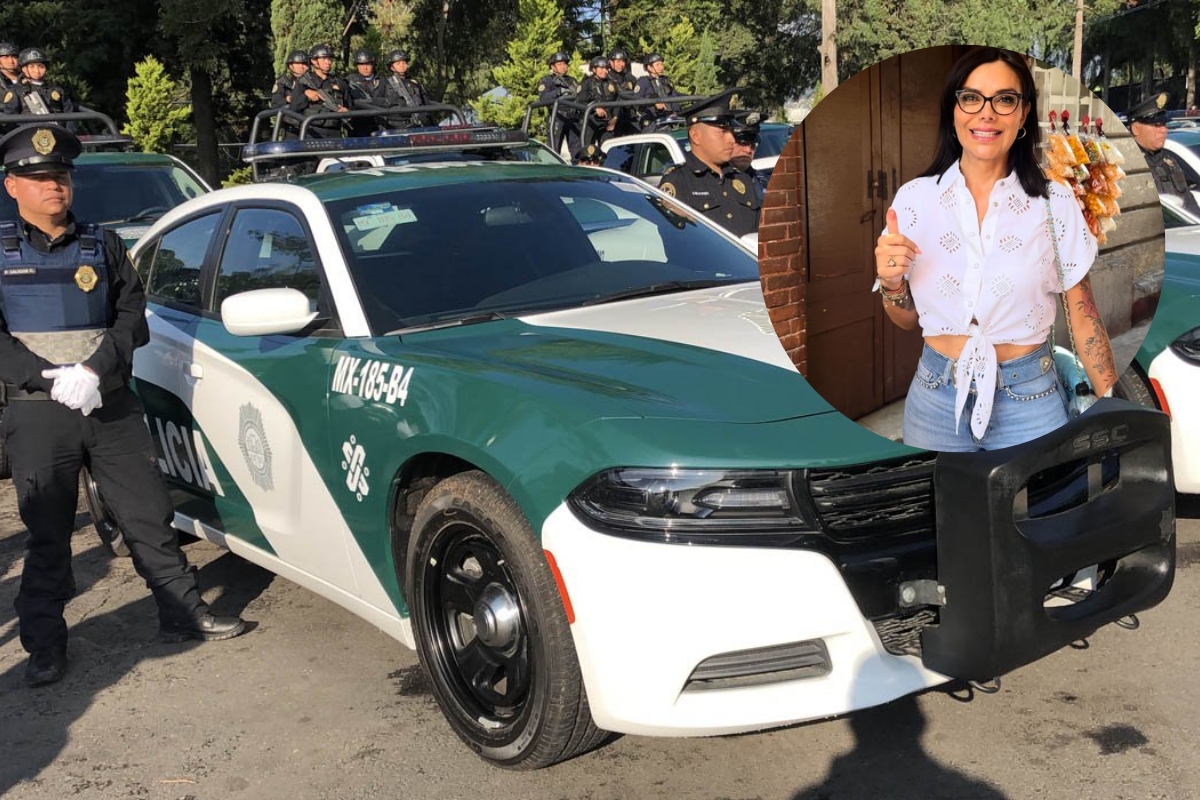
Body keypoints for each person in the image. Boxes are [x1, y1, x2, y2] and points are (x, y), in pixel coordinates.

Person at [0, 125, 246, 687]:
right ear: (13, 185)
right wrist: (46, 378)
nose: (53, 187)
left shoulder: (103, 244)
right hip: (39, 414)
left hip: (109, 404)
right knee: (48, 531)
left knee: (148, 514)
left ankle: (183, 613)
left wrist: (93, 370)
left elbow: (132, 315)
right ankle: (44, 645)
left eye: (60, 177)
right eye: (38, 179)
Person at [875, 48, 1112, 451]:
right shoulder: (914, 199)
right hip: (934, 399)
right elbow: (905, 320)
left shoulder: (1055, 202)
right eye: (971, 98)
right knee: (945, 515)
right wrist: (890, 281)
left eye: (1004, 99)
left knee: (1040, 512)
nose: (986, 113)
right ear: (953, 110)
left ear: (1022, 115)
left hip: (1030, 400)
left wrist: (1113, 407)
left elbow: (1084, 315)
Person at [658, 90, 761, 238]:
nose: (732, 139)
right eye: (722, 132)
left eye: (732, 133)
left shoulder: (741, 179)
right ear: (696, 136)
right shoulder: (679, 181)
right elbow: (676, 243)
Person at [1128, 92, 1200, 217]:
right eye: (1156, 125)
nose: (1164, 130)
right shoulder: (1128, 165)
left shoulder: (1169, 160)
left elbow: (1188, 202)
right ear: (1136, 129)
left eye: (1164, 124)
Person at [288, 44, 348, 139]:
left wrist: (346, 111)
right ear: (314, 61)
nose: (328, 62)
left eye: (329, 59)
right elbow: (293, 109)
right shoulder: (303, 82)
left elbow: (349, 105)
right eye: (324, 58)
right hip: (312, 133)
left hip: (335, 132)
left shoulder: (339, 82)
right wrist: (306, 97)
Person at [2, 49, 75, 118]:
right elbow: (10, 120)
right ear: (24, 69)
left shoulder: (57, 90)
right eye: (31, 67)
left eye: (41, 67)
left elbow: (70, 116)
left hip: (57, 130)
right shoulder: (16, 91)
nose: (37, 71)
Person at [537, 51, 581, 160]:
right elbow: (543, 98)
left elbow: (581, 97)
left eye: (565, 64)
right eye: (560, 64)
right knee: (553, 151)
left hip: (572, 118)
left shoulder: (572, 81)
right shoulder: (547, 81)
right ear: (553, 66)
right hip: (557, 118)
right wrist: (559, 92)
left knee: (577, 151)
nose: (563, 67)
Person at [577, 56, 618, 154]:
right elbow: (579, 101)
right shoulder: (586, 84)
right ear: (594, 69)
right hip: (590, 122)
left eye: (606, 68)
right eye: (601, 68)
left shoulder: (611, 83)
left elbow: (617, 101)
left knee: (608, 151)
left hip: (607, 123)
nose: (604, 71)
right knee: (587, 152)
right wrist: (594, 108)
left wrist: (615, 118)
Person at [382, 51, 432, 128]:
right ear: (392, 67)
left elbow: (426, 103)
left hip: (419, 124)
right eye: (398, 64)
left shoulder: (415, 83)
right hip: (396, 126)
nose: (402, 66)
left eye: (404, 63)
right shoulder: (386, 83)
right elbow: (379, 103)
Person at [345, 49, 386, 136]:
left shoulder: (383, 81)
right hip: (359, 126)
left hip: (381, 124)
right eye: (361, 64)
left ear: (373, 64)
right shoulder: (349, 82)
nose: (365, 67)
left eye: (368, 64)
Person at [270, 50, 310, 140]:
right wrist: (287, 100)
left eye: (305, 64)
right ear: (290, 66)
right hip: (291, 128)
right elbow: (275, 105)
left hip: (310, 127)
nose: (302, 67)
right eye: (298, 64)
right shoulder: (283, 83)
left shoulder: (311, 82)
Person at [634, 54, 679, 130]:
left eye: (661, 64)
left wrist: (676, 111)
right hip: (651, 122)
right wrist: (653, 102)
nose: (661, 67)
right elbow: (636, 100)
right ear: (649, 67)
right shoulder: (643, 81)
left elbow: (674, 96)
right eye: (657, 65)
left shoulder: (666, 80)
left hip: (668, 120)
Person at [730, 109, 767, 195]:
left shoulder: (761, 181)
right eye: (742, 143)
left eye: (753, 144)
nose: (748, 150)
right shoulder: (711, 180)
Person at [607, 48, 639, 137]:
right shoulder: (606, 79)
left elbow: (638, 93)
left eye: (623, 61)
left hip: (630, 117)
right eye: (618, 61)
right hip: (613, 120)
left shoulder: (629, 77)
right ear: (610, 62)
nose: (621, 64)